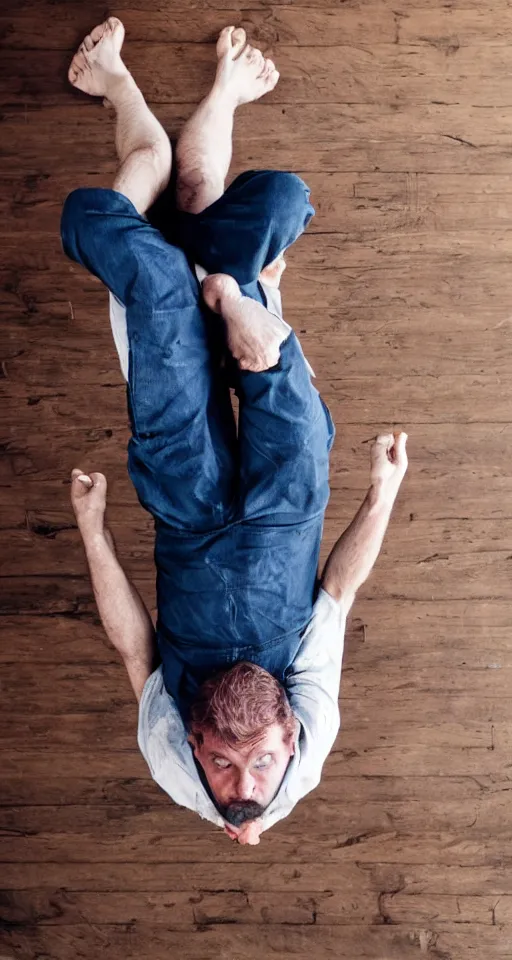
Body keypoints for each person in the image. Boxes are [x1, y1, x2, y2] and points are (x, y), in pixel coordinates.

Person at [61, 18, 408, 846]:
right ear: (290, 742)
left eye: (226, 765)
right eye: (264, 764)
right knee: (273, 198)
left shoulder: (169, 757)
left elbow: (134, 648)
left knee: (153, 262)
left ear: (197, 746)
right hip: (288, 515)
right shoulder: (307, 749)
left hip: (183, 510)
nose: (246, 757)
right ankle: (243, 293)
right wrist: (384, 492)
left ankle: (206, 258)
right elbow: (337, 594)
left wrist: (92, 530)